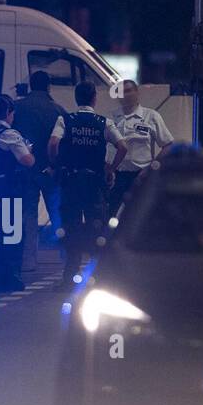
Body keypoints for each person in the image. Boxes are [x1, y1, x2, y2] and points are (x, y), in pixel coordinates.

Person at [48, 80, 127, 290]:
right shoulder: (104, 122)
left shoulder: (65, 120)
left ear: (76, 98)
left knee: (71, 228)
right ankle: (98, 278)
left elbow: (53, 144)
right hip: (94, 184)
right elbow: (123, 146)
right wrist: (111, 169)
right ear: (94, 98)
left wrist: (57, 164)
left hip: (71, 182)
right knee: (97, 229)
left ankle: (69, 278)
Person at [10, 70, 64, 273]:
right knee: (58, 213)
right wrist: (56, 165)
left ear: (31, 85)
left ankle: (28, 261)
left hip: (26, 168)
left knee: (28, 215)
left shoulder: (18, 107)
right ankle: (66, 259)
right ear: (48, 86)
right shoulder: (57, 109)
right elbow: (62, 141)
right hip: (50, 169)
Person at [0, 94, 35, 293]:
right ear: (9, 113)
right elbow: (27, 160)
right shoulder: (9, 134)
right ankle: (9, 277)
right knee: (11, 234)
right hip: (7, 189)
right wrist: (29, 150)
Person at [109, 79, 173, 212]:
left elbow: (168, 145)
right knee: (112, 215)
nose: (125, 95)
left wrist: (152, 168)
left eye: (128, 91)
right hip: (117, 176)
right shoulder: (113, 117)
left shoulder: (151, 116)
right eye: (121, 92)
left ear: (137, 93)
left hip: (140, 175)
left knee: (140, 214)